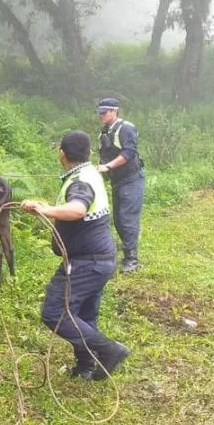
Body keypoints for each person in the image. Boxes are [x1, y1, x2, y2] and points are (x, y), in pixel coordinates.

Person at [22, 130, 131, 381]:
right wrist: (41, 207)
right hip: (99, 259)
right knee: (83, 315)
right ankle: (85, 367)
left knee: (55, 313)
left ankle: (109, 350)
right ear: (89, 153)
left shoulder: (80, 182)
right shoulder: (89, 173)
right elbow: (73, 204)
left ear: (61, 154)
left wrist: (46, 210)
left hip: (86, 263)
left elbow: (78, 209)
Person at [95, 97, 145, 274]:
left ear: (114, 111)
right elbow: (104, 156)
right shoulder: (104, 132)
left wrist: (108, 166)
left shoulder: (126, 128)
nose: (101, 115)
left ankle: (132, 260)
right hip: (117, 181)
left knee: (127, 219)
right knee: (117, 220)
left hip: (131, 179)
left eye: (105, 112)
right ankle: (127, 249)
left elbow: (129, 153)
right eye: (100, 112)